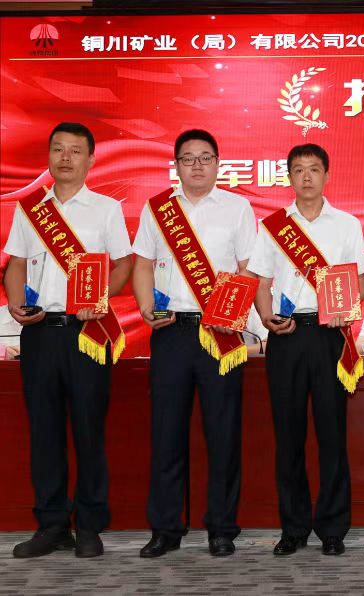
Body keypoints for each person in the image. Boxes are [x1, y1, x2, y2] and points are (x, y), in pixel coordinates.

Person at [3, 122, 132, 558]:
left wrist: (101, 298)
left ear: (91, 159)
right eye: (58, 149)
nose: (65, 157)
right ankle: (52, 524)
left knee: (89, 430)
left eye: (75, 150)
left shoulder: (106, 209)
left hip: (87, 334)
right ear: (48, 156)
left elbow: (124, 264)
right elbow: (16, 262)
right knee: (45, 432)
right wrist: (16, 303)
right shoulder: (30, 209)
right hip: (40, 333)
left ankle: (90, 524)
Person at [131, 129, 256, 557]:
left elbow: (248, 268)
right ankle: (165, 528)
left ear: (218, 164)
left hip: (220, 332)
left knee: (223, 434)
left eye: (205, 158)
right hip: (171, 332)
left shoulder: (238, 208)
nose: (197, 165)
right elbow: (143, 264)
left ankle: (222, 528)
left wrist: (233, 311)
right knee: (167, 433)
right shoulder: (158, 209)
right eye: (188, 158)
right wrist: (145, 306)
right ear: (177, 165)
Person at [249, 143, 364, 556]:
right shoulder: (273, 226)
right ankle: (294, 527)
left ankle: (333, 529)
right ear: (289, 177)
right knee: (288, 437)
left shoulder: (346, 224)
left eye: (314, 169)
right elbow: (261, 283)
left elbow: (360, 283)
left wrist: (346, 309)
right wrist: (267, 318)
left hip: (328, 336)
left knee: (332, 434)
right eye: (298, 169)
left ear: (326, 175)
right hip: (286, 336)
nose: (306, 176)